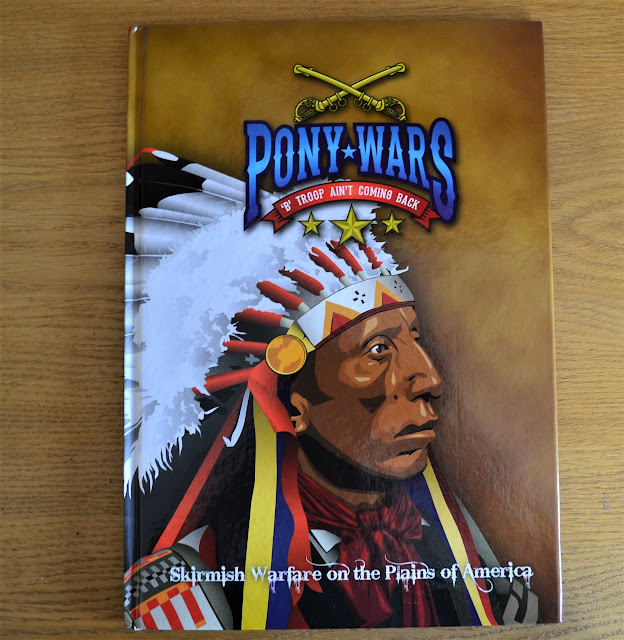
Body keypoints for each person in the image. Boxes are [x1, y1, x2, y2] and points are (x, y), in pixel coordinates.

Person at [124, 239, 539, 630]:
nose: (430, 379)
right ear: (293, 408)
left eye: (415, 338)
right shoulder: (187, 595)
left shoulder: (476, 568)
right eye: (378, 350)